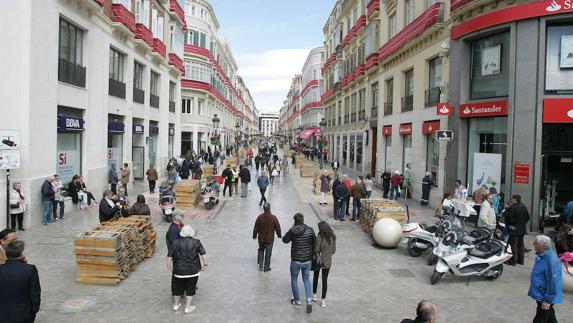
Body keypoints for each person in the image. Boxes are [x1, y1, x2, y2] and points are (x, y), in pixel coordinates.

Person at [167, 225, 207, 314]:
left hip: (178, 271)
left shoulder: (175, 242)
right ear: (191, 233)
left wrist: (169, 266)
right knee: (190, 288)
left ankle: (176, 305)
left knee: (177, 288)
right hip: (193, 271)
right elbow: (203, 254)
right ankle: (187, 307)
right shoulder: (196, 242)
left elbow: (169, 255)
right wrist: (205, 264)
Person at [282, 213, 316, 314]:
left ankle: (297, 301)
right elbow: (314, 242)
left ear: (295, 220)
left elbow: (285, 240)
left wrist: (290, 230)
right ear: (303, 219)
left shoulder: (293, 231)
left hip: (296, 260)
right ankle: (309, 302)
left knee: (294, 279)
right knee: (306, 280)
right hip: (307, 260)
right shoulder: (310, 230)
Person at [0, 240, 41, 323]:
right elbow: (35, 293)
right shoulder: (30, 269)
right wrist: (34, 310)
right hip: (24, 312)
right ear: (21, 254)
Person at [528, 235, 563, 323]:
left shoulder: (551, 261)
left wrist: (548, 300)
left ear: (541, 246)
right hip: (542, 294)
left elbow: (553, 282)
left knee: (540, 319)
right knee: (549, 316)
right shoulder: (542, 256)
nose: (533, 244)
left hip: (545, 296)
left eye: (535, 243)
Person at [312, 221, 336, 308]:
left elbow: (316, 250)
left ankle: (314, 295)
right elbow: (333, 251)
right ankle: (323, 300)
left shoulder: (319, 237)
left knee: (316, 277)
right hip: (327, 262)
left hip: (318, 261)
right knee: (324, 280)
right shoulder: (333, 237)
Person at [252, 203, 282, 272]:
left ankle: (260, 265)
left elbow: (255, 228)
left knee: (261, 250)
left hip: (261, 239)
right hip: (269, 239)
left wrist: (254, 236)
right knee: (268, 253)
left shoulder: (259, 217)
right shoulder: (273, 217)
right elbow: (278, 227)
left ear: (263, 208)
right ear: (269, 208)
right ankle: (266, 267)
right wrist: (279, 235)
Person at [505, 194, 530, 266]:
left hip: (514, 229)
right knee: (521, 245)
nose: (511, 200)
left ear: (515, 199)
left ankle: (512, 261)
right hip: (522, 229)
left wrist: (510, 225)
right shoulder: (523, 207)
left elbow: (510, 219)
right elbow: (527, 217)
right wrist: (522, 223)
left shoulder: (513, 208)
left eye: (512, 199)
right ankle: (520, 260)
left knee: (513, 245)